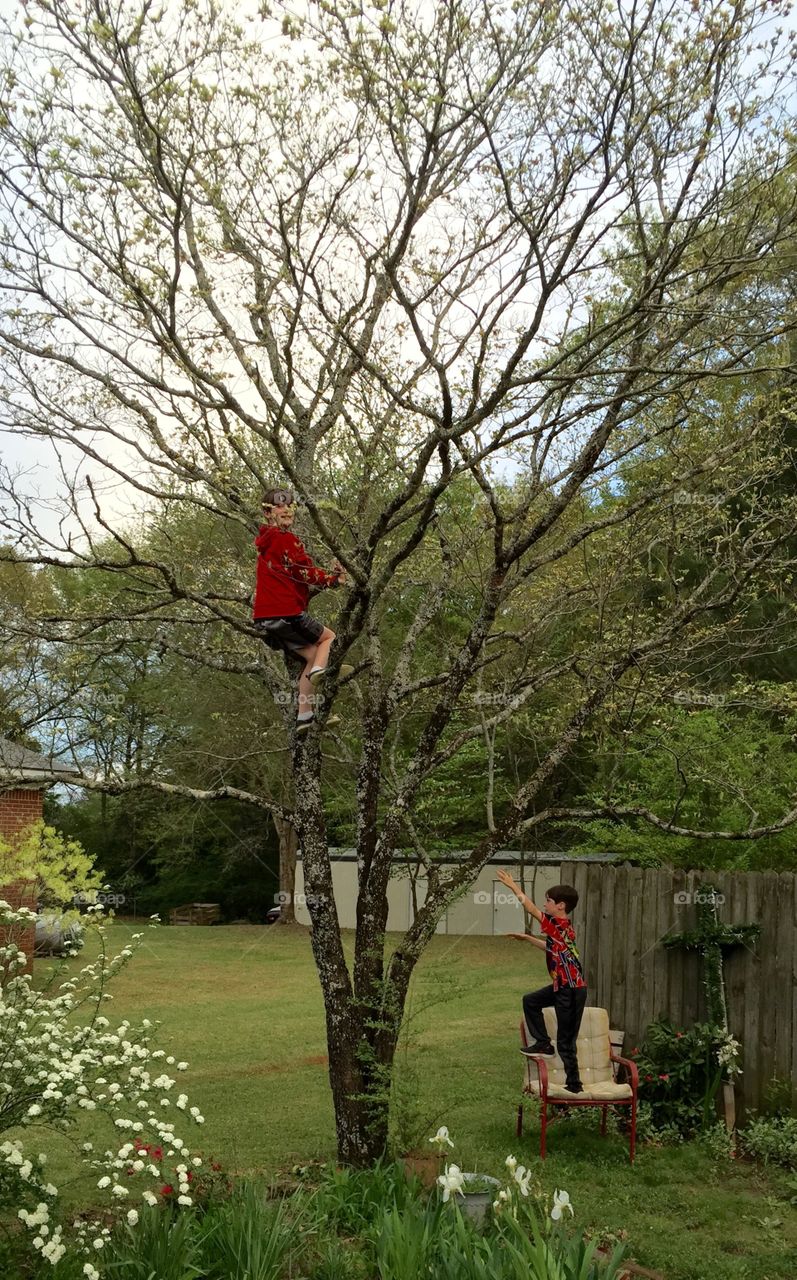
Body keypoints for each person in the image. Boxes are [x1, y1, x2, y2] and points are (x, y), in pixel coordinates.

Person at [252, 488, 352, 732]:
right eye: (278, 506)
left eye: (289, 506)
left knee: (312, 655)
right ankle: (322, 671)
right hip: (285, 614)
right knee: (329, 638)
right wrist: (333, 579)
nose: (286, 509)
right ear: (267, 513)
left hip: (265, 621)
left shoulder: (267, 542)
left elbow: (296, 571)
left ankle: (305, 715)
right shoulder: (285, 538)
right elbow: (303, 571)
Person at [496, 868, 587, 1096]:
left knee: (566, 1041)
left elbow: (531, 909)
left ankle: (574, 1086)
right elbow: (553, 949)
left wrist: (513, 886)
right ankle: (544, 1043)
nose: (545, 905)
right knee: (531, 1001)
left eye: (548, 901)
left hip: (571, 990)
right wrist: (528, 939)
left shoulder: (559, 924)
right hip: (563, 987)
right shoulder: (561, 931)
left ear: (561, 906)